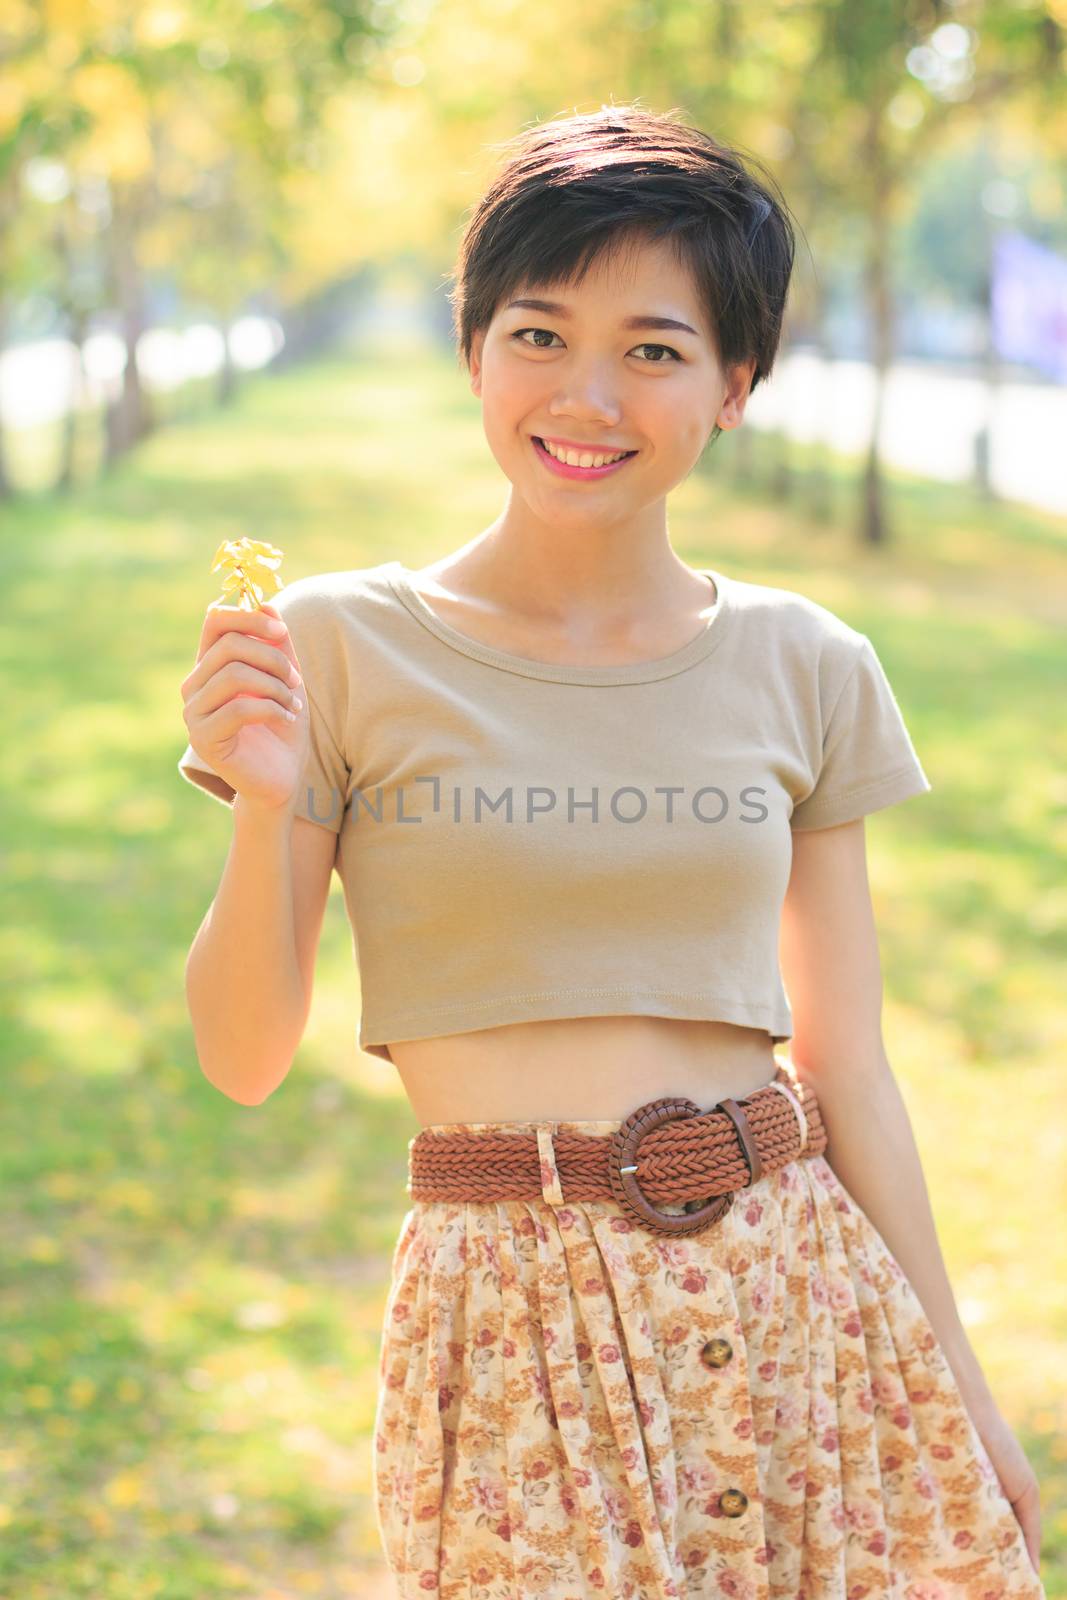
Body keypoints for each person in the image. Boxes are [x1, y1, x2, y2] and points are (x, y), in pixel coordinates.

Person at [176, 104, 1045, 1599]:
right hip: (514, 1326)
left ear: (737, 387)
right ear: (472, 350)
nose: (586, 395)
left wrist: (957, 1382)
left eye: (654, 349)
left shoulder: (809, 661)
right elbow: (244, 1055)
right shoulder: (335, 644)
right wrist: (266, 800)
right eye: (537, 333)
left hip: (801, 1289)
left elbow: (851, 1067)